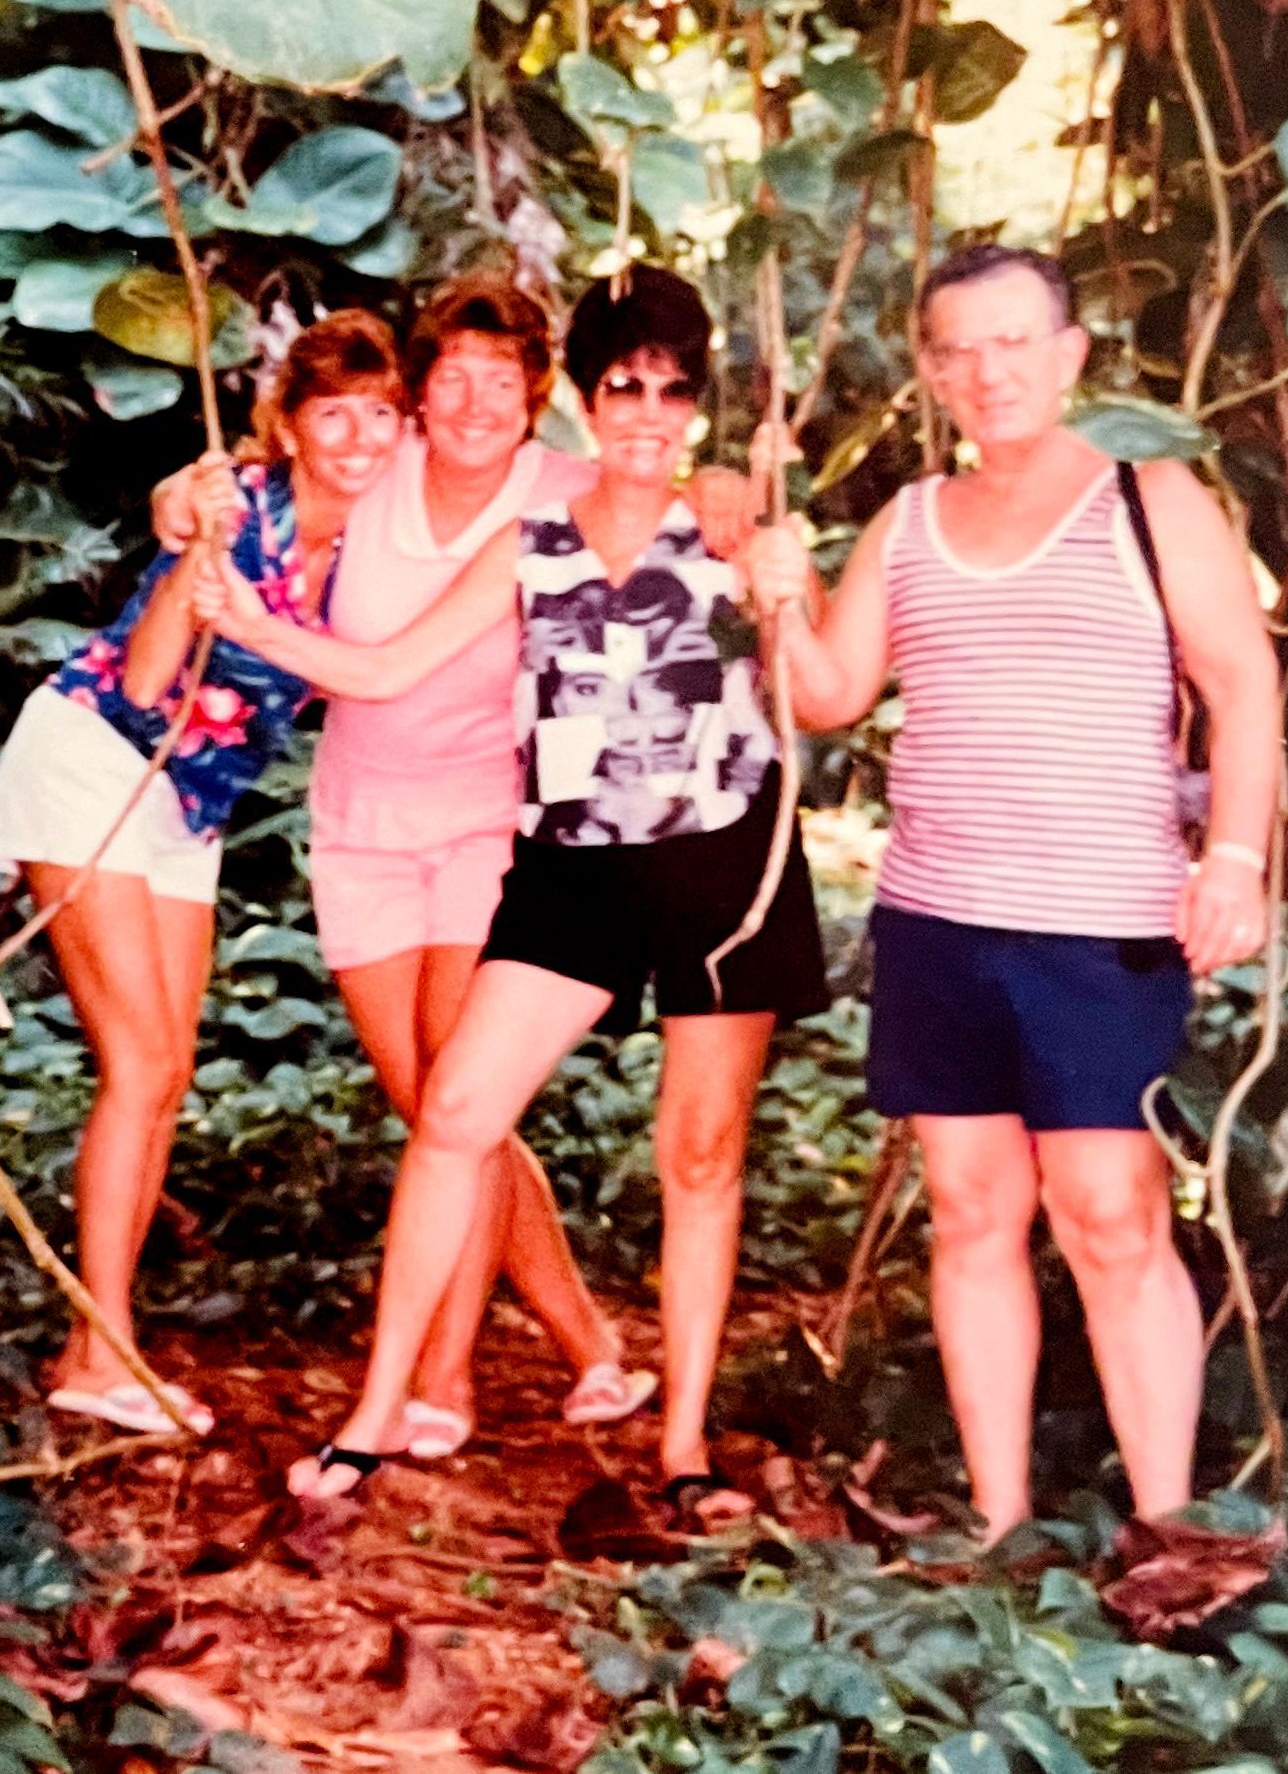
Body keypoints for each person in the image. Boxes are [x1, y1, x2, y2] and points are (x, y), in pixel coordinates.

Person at [189, 267, 831, 1510]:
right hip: (573, 860)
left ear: (697, 404)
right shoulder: (532, 535)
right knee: (453, 1110)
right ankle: (375, 1412)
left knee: (699, 1154)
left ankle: (682, 1446)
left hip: (724, 857)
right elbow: (385, 667)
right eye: (622, 387)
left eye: (671, 391)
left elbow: (829, 693)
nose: (645, 411)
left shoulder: (730, 527)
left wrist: (785, 580)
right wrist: (251, 622)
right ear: (583, 400)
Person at [744, 242, 1281, 1539]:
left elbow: (1241, 681)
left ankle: (1167, 1528)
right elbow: (828, 693)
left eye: (1013, 341)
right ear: (932, 371)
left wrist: (1235, 856)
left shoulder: (1150, 496)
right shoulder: (910, 518)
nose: (989, 370)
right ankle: (998, 1523)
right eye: (959, 350)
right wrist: (777, 598)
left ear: (1069, 352)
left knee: (1112, 1214)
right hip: (937, 917)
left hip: (1102, 925)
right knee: (973, 1208)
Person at [0, 312, 406, 1437]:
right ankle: (100, 1351)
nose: (359, 437)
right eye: (333, 414)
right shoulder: (240, 507)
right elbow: (143, 678)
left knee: (167, 1071)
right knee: (141, 1062)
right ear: (289, 427)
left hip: (189, 805)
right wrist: (198, 558)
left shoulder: (381, 545)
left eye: (379, 412)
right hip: (96, 763)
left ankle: (97, 1344)